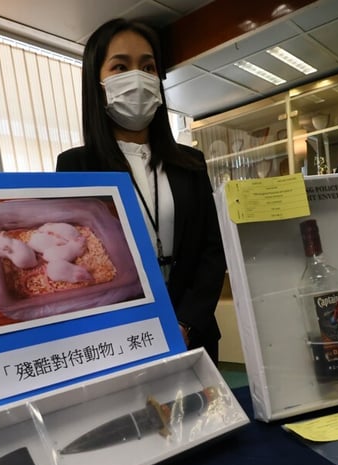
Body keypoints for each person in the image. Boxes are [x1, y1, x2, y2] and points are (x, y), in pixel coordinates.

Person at [57, 18, 226, 362]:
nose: (138, 77)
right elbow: (78, 260)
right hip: (117, 342)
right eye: (120, 66)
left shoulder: (190, 163)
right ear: (97, 81)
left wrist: (184, 322)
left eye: (148, 67)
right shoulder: (75, 166)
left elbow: (212, 250)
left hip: (193, 336)